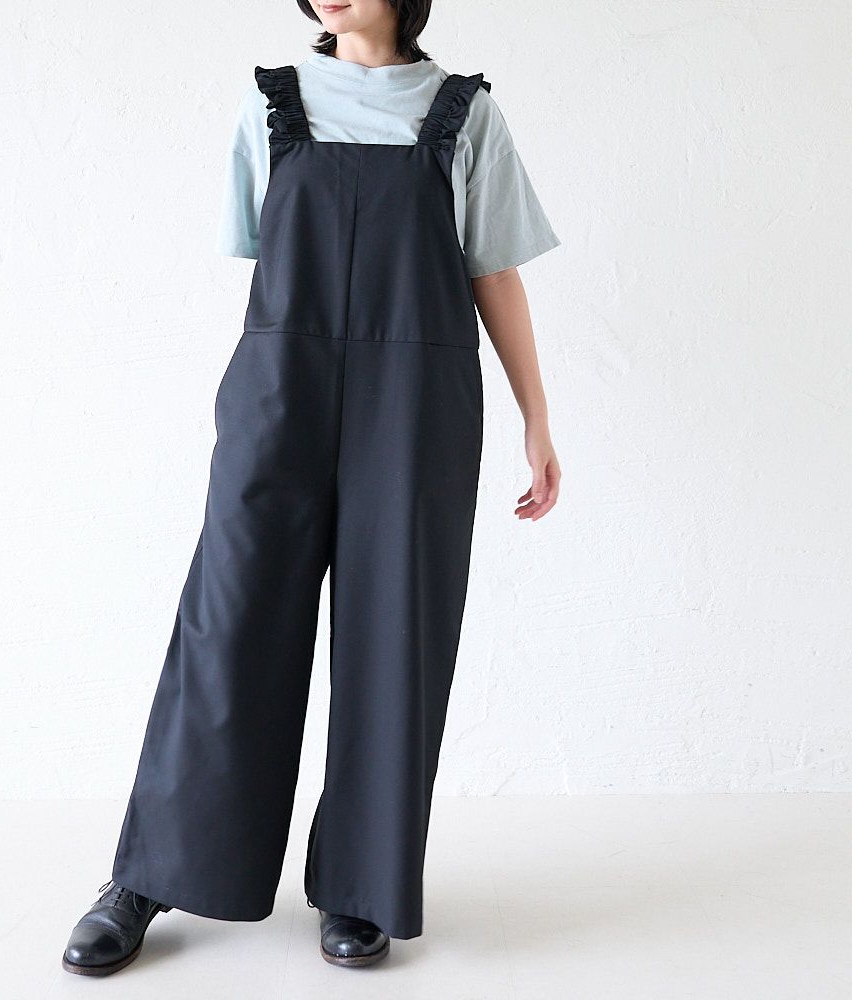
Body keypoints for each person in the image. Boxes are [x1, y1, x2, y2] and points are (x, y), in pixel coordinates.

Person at [62, 0, 561, 976]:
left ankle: (361, 886)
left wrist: (536, 418)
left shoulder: (466, 114)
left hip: (416, 399)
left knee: (394, 632)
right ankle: (151, 872)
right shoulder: (270, 106)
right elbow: (260, 249)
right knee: (229, 620)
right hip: (279, 389)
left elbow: (494, 272)